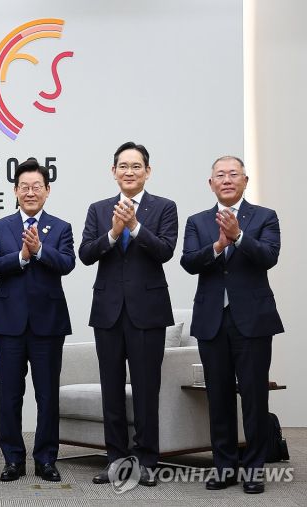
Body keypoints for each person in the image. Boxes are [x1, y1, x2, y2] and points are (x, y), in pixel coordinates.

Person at [180, 156, 283, 494]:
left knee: (254, 397)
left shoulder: (265, 217)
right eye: (220, 175)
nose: (226, 179)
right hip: (212, 321)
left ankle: (254, 469)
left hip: (252, 321)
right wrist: (217, 246)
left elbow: (269, 256)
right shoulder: (197, 221)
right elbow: (189, 262)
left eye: (233, 174)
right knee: (219, 398)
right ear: (210, 183)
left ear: (245, 181)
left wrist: (238, 236)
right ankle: (224, 467)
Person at [79, 141, 177, 486]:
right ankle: (116, 459)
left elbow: (165, 251)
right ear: (113, 171)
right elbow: (86, 254)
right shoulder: (98, 209)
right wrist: (113, 233)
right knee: (112, 390)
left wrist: (135, 227)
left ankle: (146, 460)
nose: (129, 172)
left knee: (147, 390)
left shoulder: (164, 207)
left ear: (148, 171)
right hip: (108, 312)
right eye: (123, 166)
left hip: (148, 313)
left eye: (136, 166)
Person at [0, 158, 75, 483]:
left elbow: (67, 263)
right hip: (9, 323)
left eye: (37, 186)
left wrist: (39, 250)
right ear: (15, 191)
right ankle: (13, 459)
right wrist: (22, 256)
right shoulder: (0, 227)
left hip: (48, 324)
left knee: (47, 396)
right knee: (10, 395)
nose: (31, 192)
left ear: (47, 191)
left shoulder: (61, 227)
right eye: (25, 187)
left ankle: (46, 459)